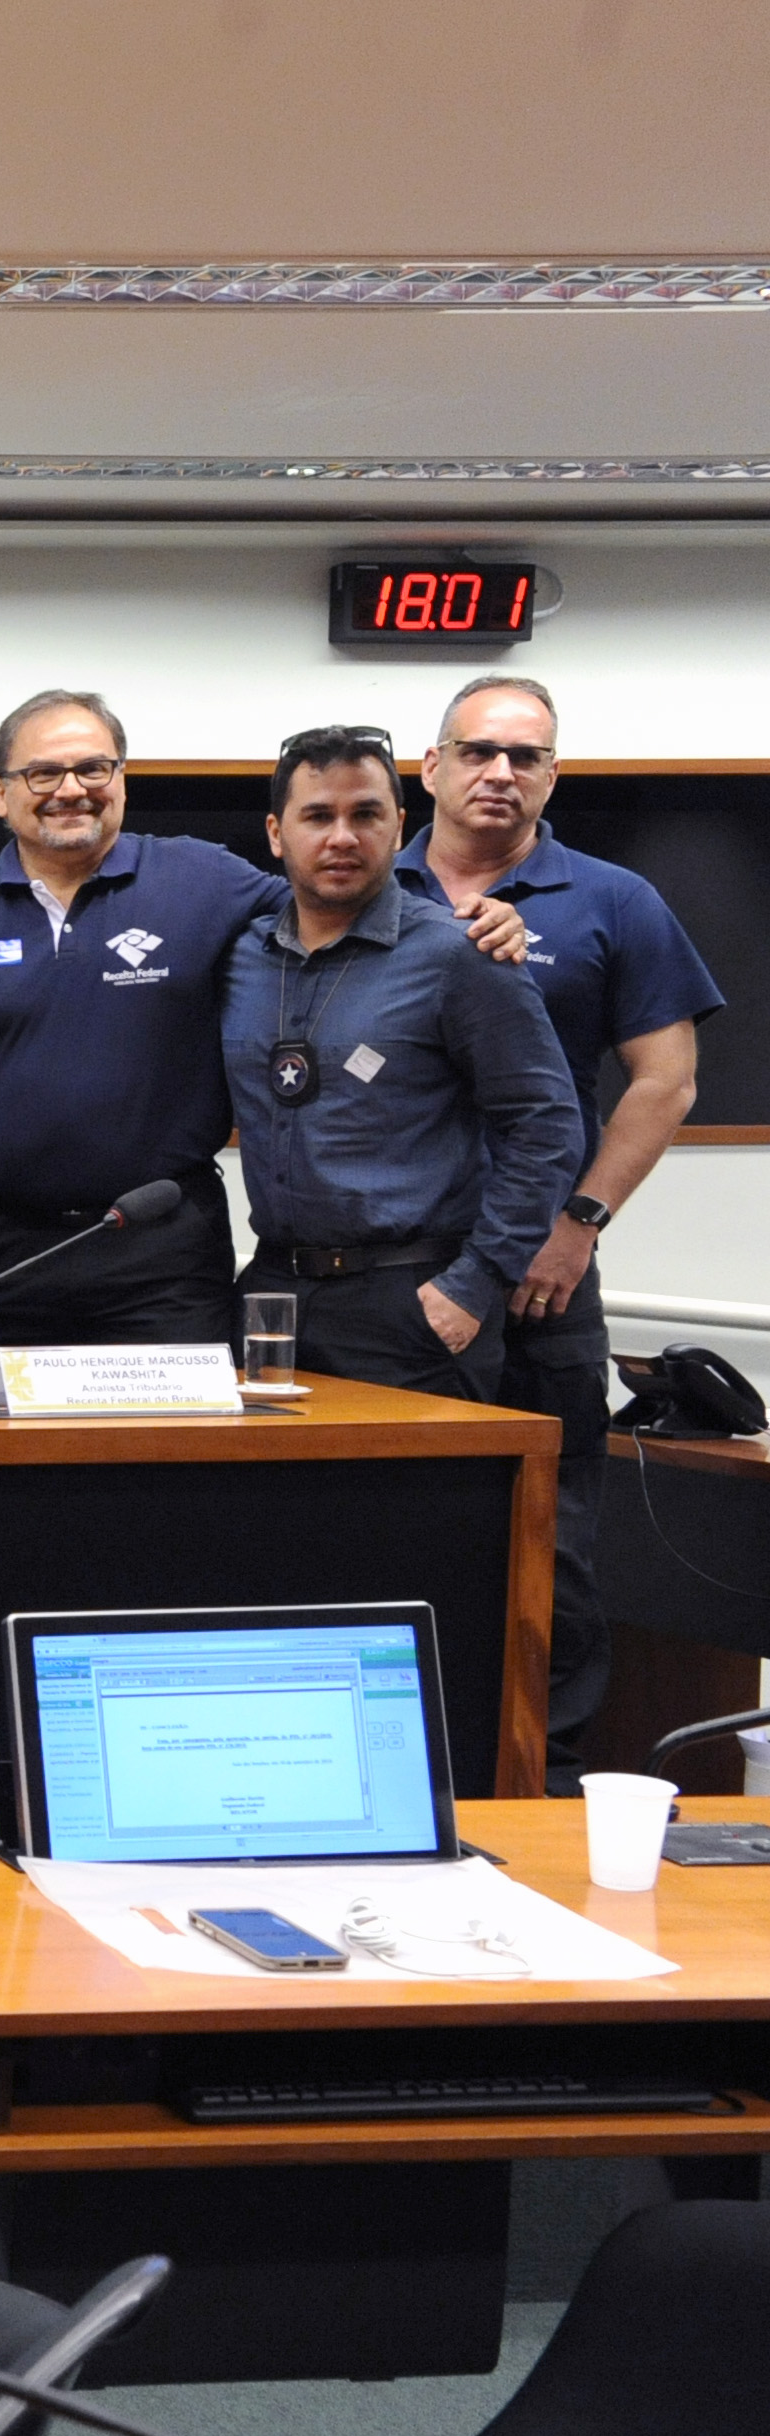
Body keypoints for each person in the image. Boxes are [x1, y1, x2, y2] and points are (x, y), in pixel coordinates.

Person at [0, 687, 526, 1348]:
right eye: (43, 772)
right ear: (1, 793)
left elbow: (336, 894)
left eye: (94, 768)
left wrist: (469, 913)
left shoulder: (203, 878)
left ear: (121, 781)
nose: (71, 789)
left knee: (175, 1449)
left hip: (164, 1255)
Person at [395, 674, 724, 1768]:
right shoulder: (354, 884)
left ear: (551, 775)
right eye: (476, 750)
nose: (498, 772)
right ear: (428, 767)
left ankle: (555, 1773)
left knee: (554, 1537)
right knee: (389, 1512)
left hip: (540, 1270)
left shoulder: (611, 899)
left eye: (523, 756)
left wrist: (575, 1221)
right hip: (385, 1270)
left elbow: (663, 1080)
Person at [224, 726, 576, 1404]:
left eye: (365, 815)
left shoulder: (459, 955)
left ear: (398, 825)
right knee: (266, 1507)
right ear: (276, 832)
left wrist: (473, 1285)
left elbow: (545, 1125)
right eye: (318, 816)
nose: (342, 837)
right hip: (273, 1297)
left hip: (413, 1300)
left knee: (411, 1509)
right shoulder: (237, 957)